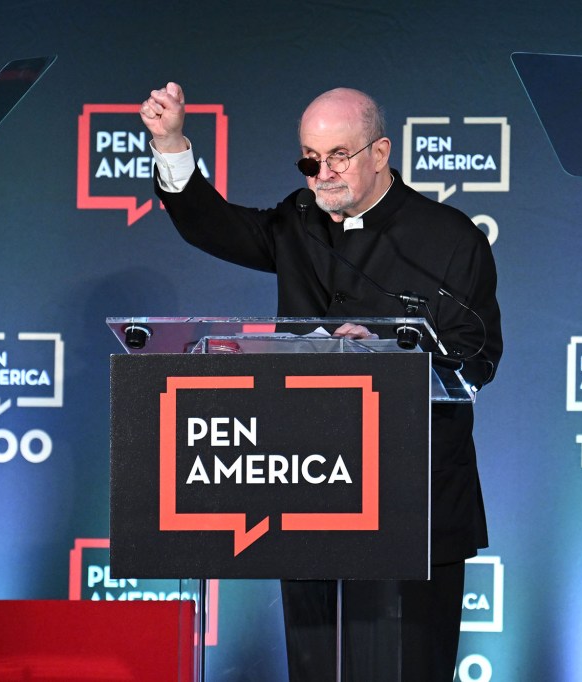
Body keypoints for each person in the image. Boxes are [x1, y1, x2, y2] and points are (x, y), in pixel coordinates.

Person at [141, 82, 502, 682]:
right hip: (311, 493)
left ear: (381, 152)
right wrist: (173, 142)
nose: (321, 173)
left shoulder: (450, 239)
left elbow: (477, 361)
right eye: (310, 158)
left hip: (415, 505)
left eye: (338, 156)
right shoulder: (298, 220)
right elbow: (214, 226)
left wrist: (389, 356)